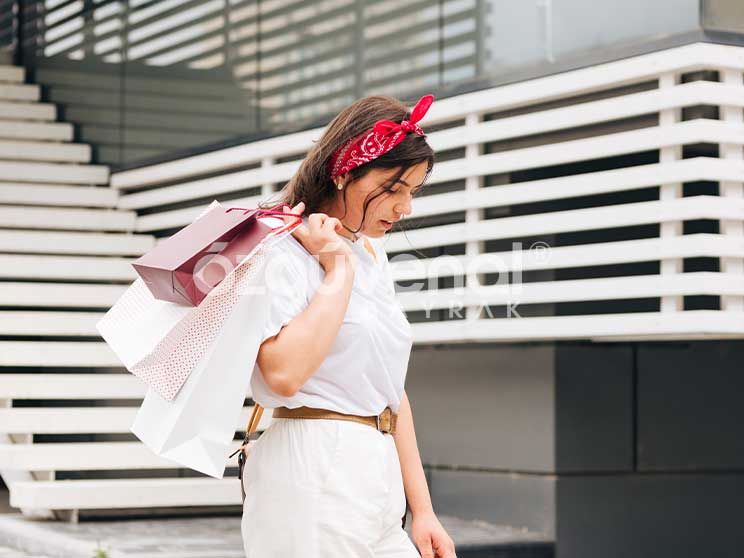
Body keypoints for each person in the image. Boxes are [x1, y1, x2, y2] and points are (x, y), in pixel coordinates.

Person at [242, 94, 457, 558]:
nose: (405, 208)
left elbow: (389, 390)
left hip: (376, 474)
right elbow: (282, 375)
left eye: (412, 192)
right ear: (344, 172)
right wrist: (337, 270)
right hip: (314, 465)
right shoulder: (281, 250)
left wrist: (423, 511)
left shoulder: (370, 255)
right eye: (393, 188)